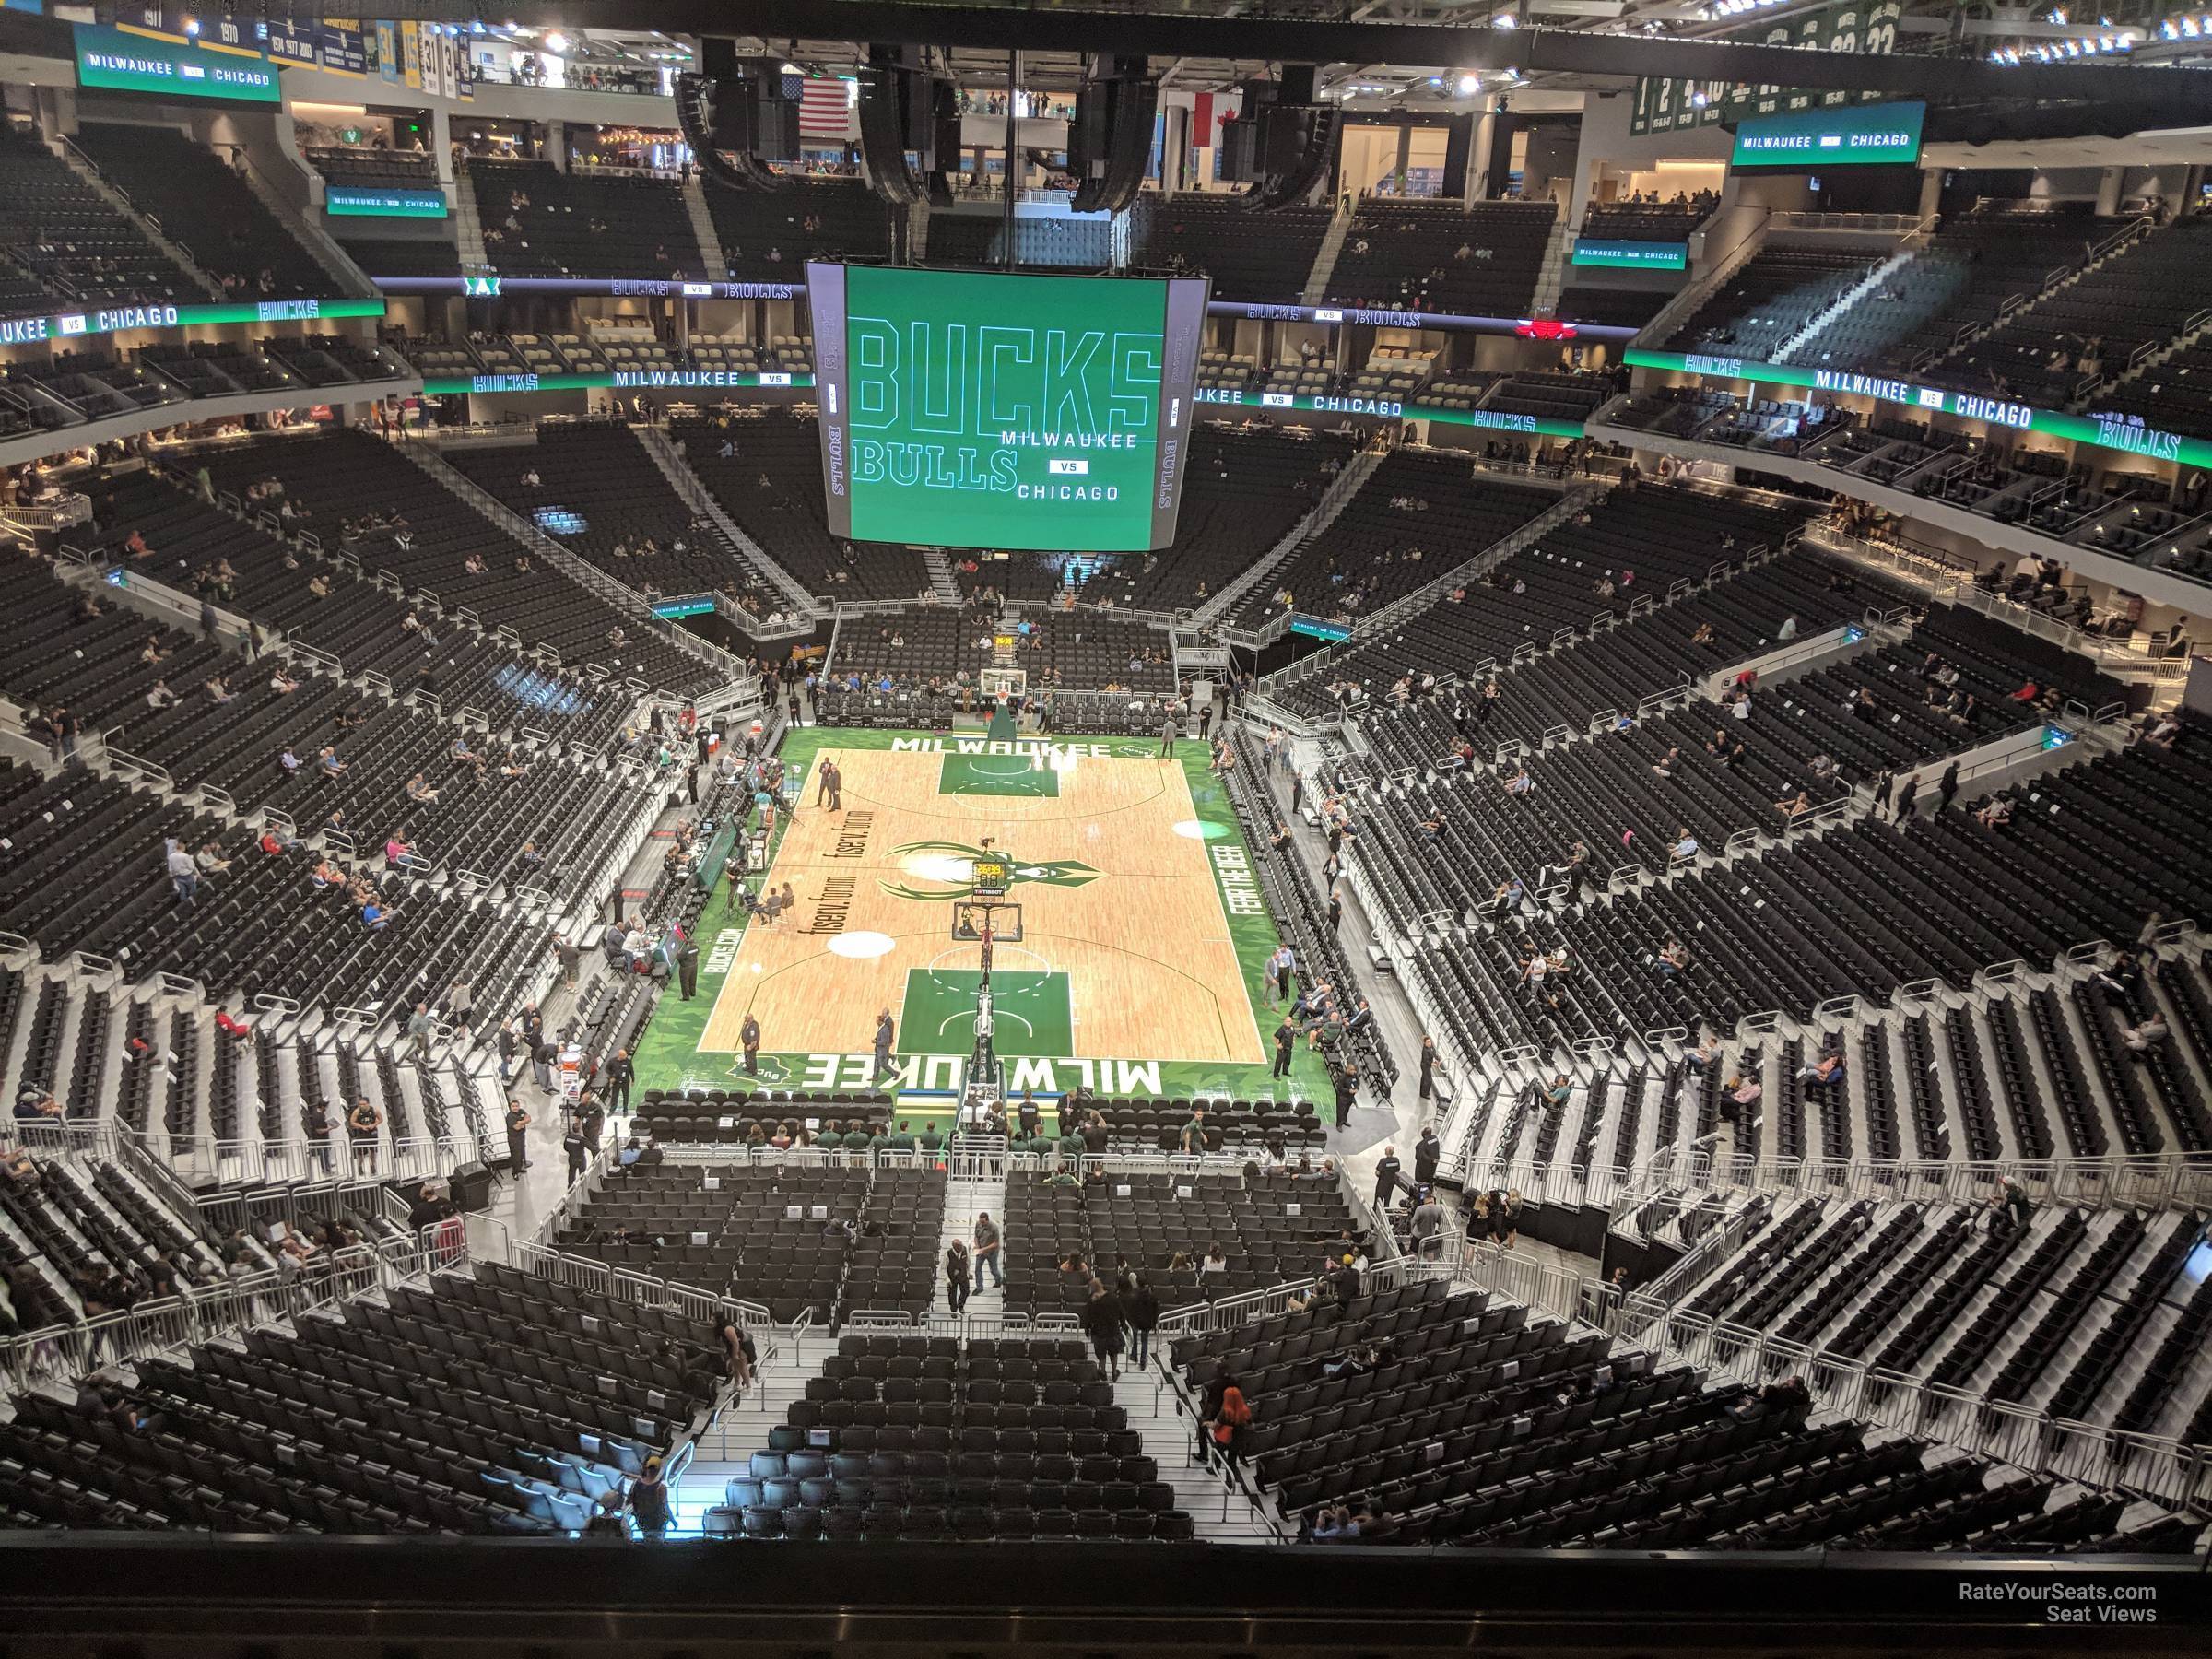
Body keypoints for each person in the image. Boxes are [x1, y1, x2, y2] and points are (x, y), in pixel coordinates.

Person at [1082, 1277, 1125, 1381]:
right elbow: (1122, 1313)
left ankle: (1103, 1372)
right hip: (1113, 1331)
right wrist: (1123, 1325)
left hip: (1099, 1332)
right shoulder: (1113, 1297)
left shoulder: (1092, 1300)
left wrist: (1087, 1329)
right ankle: (1114, 1372)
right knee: (1113, 1353)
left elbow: (1088, 1317)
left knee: (1101, 1354)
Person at [1206, 1371, 1252, 1469]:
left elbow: (1215, 1426)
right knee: (1232, 1461)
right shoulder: (1245, 1409)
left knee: (1217, 1451)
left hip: (1226, 1439)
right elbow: (1251, 1425)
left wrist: (1208, 1423)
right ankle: (1230, 1481)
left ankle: (1215, 1469)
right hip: (1238, 1440)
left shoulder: (1225, 1411)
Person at [628, 1455, 670, 1541]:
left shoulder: (635, 1483)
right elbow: (665, 1507)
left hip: (641, 1520)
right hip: (656, 1522)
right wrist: (672, 1520)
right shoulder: (661, 1487)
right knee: (658, 1542)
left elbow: (629, 1501)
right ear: (658, 1471)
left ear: (646, 1469)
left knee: (646, 1540)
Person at [1123, 1272, 1159, 1369]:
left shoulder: (1133, 1296)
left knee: (1135, 1339)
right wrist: (1154, 1322)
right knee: (1144, 1341)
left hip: (1136, 1321)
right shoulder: (1152, 1296)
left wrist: (1130, 1320)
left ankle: (1134, 1355)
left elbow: (1130, 1310)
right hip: (1147, 1322)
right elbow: (1155, 1311)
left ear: (1137, 1283)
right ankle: (1143, 1360)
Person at [971, 1211, 1002, 1289]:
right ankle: (979, 1286)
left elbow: (996, 1243)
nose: (982, 1224)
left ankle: (998, 1281)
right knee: (977, 1269)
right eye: (981, 1222)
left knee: (993, 1270)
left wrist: (984, 1249)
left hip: (992, 1252)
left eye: (983, 1222)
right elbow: (976, 1236)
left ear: (987, 1220)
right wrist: (977, 1247)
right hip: (981, 1251)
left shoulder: (994, 1228)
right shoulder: (978, 1224)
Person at [1373, 1144, 1403, 1210]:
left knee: (1378, 1200)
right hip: (1391, 1184)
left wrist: (1379, 1175)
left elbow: (1377, 1173)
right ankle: (1385, 1213)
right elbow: (1398, 1170)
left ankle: (1376, 1213)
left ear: (1387, 1152)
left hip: (1382, 1184)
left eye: (1385, 1150)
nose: (1384, 1150)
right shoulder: (1396, 1160)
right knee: (1387, 1200)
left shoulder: (1383, 1161)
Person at [505, 1099, 532, 1172]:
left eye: (517, 1106)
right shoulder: (510, 1117)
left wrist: (520, 1122)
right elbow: (517, 1127)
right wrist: (523, 1123)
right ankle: (515, 1171)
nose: (515, 1108)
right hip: (514, 1139)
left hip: (521, 1136)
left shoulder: (521, 1111)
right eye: (513, 1106)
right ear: (510, 1107)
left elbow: (529, 1119)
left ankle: (521, 1167)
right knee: (515, 1155)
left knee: (521, 1152)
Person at [741, 1013, 761, 1077]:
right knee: (747, 1057)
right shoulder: (747, 1024)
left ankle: (753, 1071)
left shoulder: (753, 1027)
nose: (744, 1020)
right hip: (746, 1044)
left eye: (746, 1019)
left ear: (749, 1019)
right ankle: (748, 1067)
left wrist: (751, 1046)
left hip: (751, 1045)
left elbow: (754, 1039)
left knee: (751, 1058)